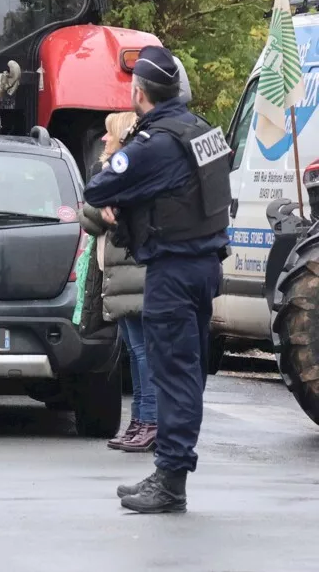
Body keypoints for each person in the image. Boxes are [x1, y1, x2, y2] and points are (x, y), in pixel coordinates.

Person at [83, 46, 231, 514]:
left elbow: (98, 188)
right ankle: (169, 472)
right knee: (185, 372)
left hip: (173, 266)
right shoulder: (204, 131)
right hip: (204, 263)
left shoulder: (157, 143)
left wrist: (121, 175)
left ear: (139, 93)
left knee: (173, 375)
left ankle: (170, 480)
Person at [80, 111, 155, 454]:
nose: (105, 140)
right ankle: (138, 421)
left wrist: (104, 208)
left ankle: (148, 422)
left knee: (143, 354)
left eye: (110, 135)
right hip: (119, 275)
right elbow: (89, 215)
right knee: (136, 352)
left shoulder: (130, 174)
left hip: (133, 275)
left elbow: (101, 213)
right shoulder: (109, 175)